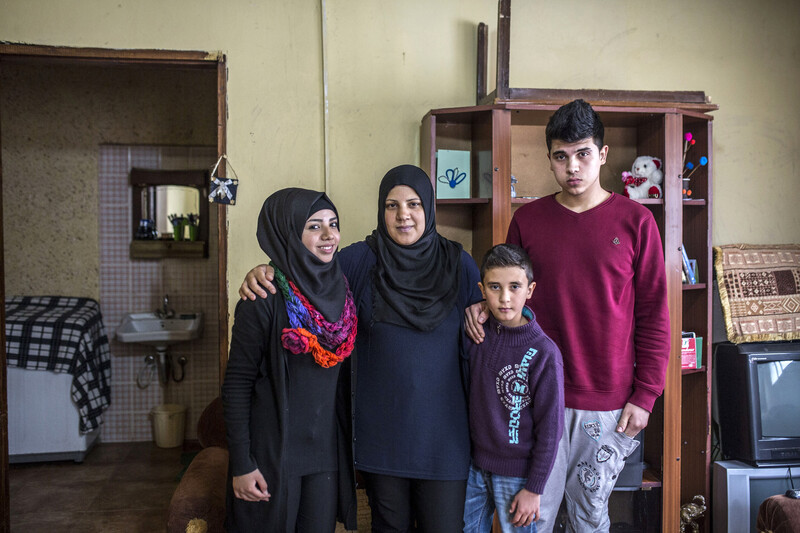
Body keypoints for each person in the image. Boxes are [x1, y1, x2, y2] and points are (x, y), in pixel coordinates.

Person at [239, 165, 484, 532]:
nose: (403, 215)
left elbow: (495, 313)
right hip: (381, 435)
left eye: (414, 204)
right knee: (388, 526)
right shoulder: (359, 261)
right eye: (391, 205)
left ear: (429, 209)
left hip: (444, 436)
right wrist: (264, 271)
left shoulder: (459, 264)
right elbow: (307, 271)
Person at [466, 99, 670, 533]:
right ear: (550, 159)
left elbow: (654, 312)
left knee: (589, 517)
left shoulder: (636, 222)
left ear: (603, 154)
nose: (572, 167)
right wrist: (482, 304)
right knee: (529, 520)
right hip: (534, 398)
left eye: (583, 154)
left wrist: (647, 393)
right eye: (561, 156)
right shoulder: (529, 220)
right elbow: (510, 290)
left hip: (608, 403)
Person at [222, 188, 358, 532]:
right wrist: (241, 463)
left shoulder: (343, 291)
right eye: (314, 227)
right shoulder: (262, 298)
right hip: (271, 456)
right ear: (288, 233)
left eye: (333, 224)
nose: (329, 236)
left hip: (324, 457)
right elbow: (236, 385)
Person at [463, 243, 564, 533]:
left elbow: (550, 428)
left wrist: (534, 488)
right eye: (495, 287)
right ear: (482, 290)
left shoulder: (544, 352)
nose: (504, 298)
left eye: (515, 287)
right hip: (474, 468)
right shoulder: (475, 336)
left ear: (530, 290)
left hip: (519, 476)